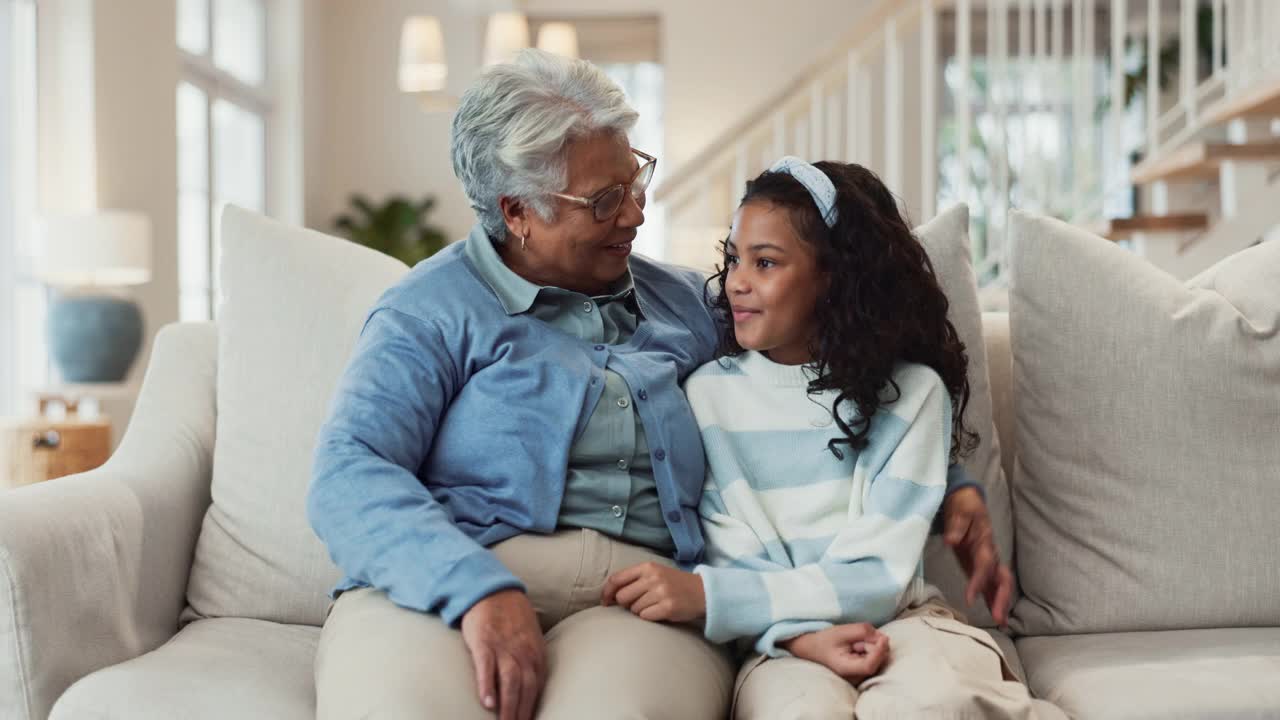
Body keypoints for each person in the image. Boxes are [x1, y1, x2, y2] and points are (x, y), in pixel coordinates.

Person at [308, 48, 1013, 720]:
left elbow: (821, 366)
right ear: (517, 212)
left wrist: (949, 483)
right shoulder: (428, 309)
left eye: (635, 178)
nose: (637, 212)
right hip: (453, 572)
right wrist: (475, 590)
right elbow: (349, 473)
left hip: (638, 597)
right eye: (604, 198)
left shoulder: (687, 303)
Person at [603, 158, 1063, 719]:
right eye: (733, 258)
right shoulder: (706, 396)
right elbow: (732, 549)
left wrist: (712, 598)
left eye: (765, 262)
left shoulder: (913, 395)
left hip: (906, 623)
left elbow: (878, 574)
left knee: (944, 704)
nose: (737, 281)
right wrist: (799, 638)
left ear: (834, 277)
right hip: (777, 645)